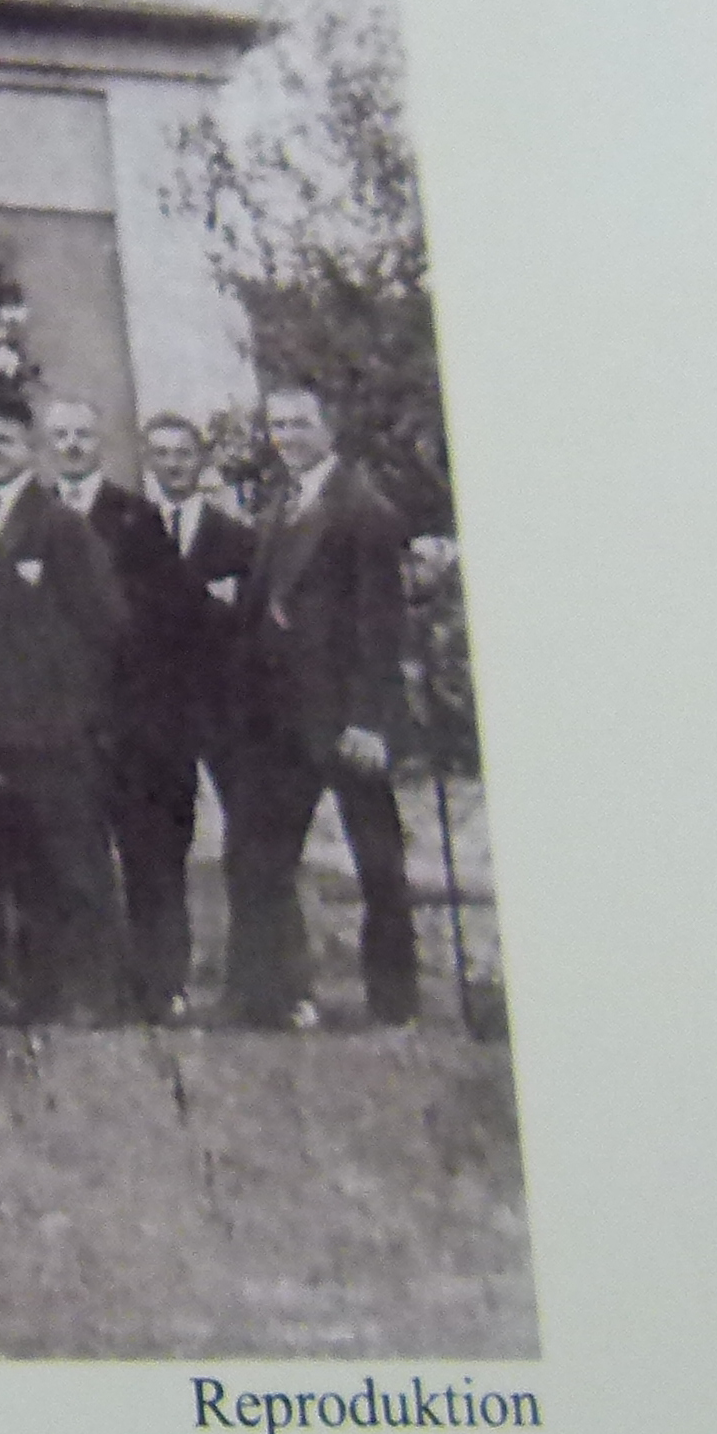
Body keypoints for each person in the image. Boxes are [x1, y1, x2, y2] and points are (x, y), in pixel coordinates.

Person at [0, 386, 129, 1023]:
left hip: (49, 731)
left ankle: (92, 991)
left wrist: (72, 709)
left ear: (28, 448)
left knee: (68, 863)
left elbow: (108, 625)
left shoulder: (60, 525)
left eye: (3, 441)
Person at [219, 382, 420, 1030]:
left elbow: (380, 626)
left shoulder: (364, 509)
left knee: (378, 863)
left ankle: (394, 1002)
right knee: (261, 855)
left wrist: (370, 720)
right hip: (283, 719)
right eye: (278, 426)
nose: (288, 437)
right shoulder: (282, 502)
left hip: (344, 720)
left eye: (301, 424)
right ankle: (272, 994)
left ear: (328, 426)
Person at [76, 408, 256, 1024]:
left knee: (219, 844)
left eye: (183, 454)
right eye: (161, 454)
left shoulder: (234, 537)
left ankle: (247, 985)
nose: (172, 465)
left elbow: (241, 625)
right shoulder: (129, 526)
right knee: (149, 848)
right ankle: (155, 984)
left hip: (216, 708)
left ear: (200, 461)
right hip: (149, 715)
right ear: (147, 459)